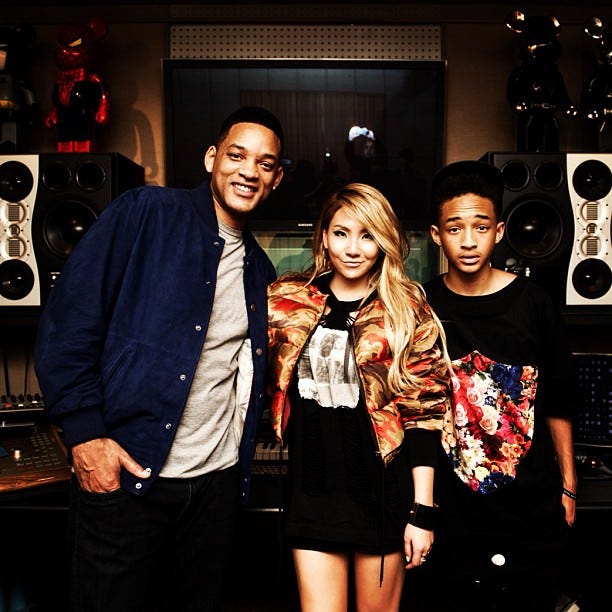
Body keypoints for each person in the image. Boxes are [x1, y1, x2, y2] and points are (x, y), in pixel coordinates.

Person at [34, 106, 284, 612]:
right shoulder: (144, 212)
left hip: (213, 491)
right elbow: (70, 320)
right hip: (125, 480)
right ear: (212, 158)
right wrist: (85, 434)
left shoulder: (260, 270)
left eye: (264, 163)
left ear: (276, 179)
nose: (248, 172)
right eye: (237, 156)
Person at [266, 182, 451, 612]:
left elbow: (424, 414)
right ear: (324, 237)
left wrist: (421, 512)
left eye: (367, 235)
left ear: (383, 240)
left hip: (382, 497)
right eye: (341, 233)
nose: (353, 248)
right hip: (311, 492)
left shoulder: (406, 309)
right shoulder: (286, 300)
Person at [418, 160, 578, 611]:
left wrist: (569, 487)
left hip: (530, 501)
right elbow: (414, 408)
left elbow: (558, 398)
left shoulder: (535, 303)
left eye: (481, 227)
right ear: (436, 235)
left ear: (500, 231)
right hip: (452, 505)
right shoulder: (421, 305)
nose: (469, 241)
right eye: (455, 229)